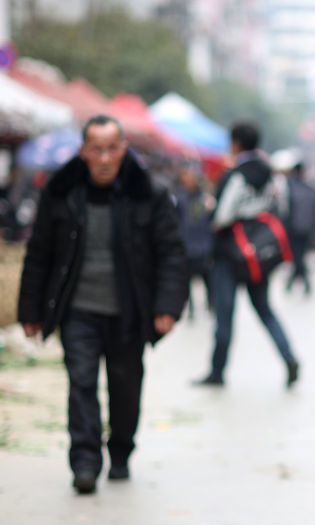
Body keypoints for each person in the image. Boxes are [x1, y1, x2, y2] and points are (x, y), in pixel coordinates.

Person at [17, 115, 188, 494]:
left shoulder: (150, 193)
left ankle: (121, 452)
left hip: (129, 310)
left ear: (124, 150)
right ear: (84, 152)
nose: (106, 157)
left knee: (125, 386)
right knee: (81, 383)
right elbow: (39, 253)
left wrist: (168, 306)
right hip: (78, 310)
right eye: (97, 149)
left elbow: (172, 253)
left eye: (113, 148)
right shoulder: (61, 193)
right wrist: (29, 309)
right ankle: (85, 461)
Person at [195, 121, 300, 388]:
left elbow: (223, 216)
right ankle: (288, 356)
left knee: (224, 315)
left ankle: (217, 372)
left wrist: (213, 214)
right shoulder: (272, 173)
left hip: (229, 253)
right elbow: (282, 207)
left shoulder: (236, 175)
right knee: (265, 309)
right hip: (259, 254)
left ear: (236, 143)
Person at [174, 167, 214, 318]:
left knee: (207, 279)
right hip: (187, 246)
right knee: (187, 281)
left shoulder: (205, 199)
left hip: (204, 246)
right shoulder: (180, 198)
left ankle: (210, 305)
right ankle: (190, 309)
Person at [282, 161, 315, 295]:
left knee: (297, 257)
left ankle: (299, 283)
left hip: (293, 229)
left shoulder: (289, 188)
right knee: (299, 256)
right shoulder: (310, 189)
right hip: (308, 229)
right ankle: (301, 283)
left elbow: (285, 210)